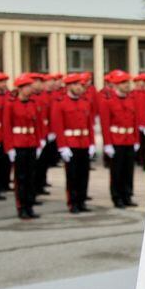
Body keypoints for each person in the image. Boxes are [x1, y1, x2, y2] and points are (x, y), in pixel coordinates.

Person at [52, 74, 95, 213]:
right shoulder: (60, 103)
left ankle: (82, 201)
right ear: (69, 86)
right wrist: (62, 146)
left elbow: (89, 124)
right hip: (70, 144)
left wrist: (92, 143)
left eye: (81, 85)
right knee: (72, 176)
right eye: (76, 85)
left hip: (84, 143)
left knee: (84, 174)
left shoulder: (85, 102)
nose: (79, 87)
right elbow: (58, 126)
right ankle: (73, 202)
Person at [4, 75, 43, 220]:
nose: (30, 89)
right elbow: (7, 127)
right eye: (27, 87)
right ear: (20, 88)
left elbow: (37, 125)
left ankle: (30, 206)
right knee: (20, 178)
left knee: (31, 177)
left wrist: (38, 143)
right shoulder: (11, 104)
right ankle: (21, 207)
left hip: (31, 143)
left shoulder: (33, 103)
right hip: (18, 144)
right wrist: (9, 147)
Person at [99, 70, 140, 208]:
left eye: (127, 82)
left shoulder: (132, 100)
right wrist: (107, 144)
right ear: (116, 85)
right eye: (123, 82)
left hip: (129, 140)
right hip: (116, 141)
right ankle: (117, 197)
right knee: (117, 171)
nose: (127, 85)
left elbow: (135, 121)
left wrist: (136, 140)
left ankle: (127, 195)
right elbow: (105, 124)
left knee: (129, 170)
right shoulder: (108, 101)